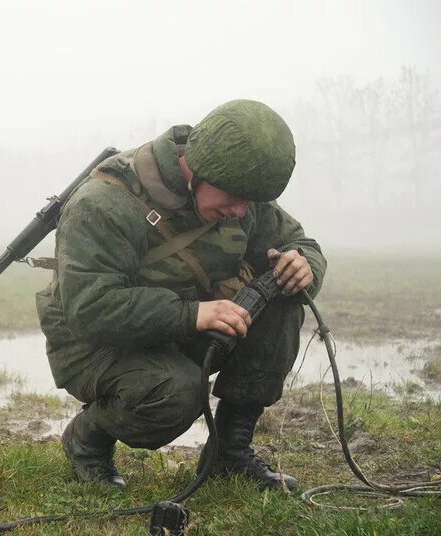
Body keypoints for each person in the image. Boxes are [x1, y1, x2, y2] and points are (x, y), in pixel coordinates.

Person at [36, 100, 327, 491]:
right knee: (176, 396)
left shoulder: (239, 189)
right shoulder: (104, 204)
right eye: (234, 198)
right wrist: (193, 314)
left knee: (282, 294)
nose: (241, 212)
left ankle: (229, 451)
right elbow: (90, 306)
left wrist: (303, 263)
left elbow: (296, 240)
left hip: (184, 322)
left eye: (250, 201)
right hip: (95, 342)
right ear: (197, 171)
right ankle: (88, 438)